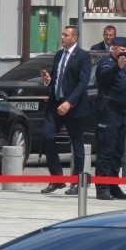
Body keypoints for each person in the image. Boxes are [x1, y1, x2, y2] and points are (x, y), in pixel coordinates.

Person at [39, 26, 92, 196]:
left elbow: (82, 83)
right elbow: (58, 79)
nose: (62, 37)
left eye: (66, 35)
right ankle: (57, 178)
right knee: (47, 136)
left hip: (73, 107)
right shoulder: (59, 55)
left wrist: (69, 102)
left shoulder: (83, 56)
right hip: (56, 103)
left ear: (74, 38)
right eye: (62, 34)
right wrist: (49, 80)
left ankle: (76, 182)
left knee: (76, 144)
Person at [94, 36, 126, 200]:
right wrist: (117, 69)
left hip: (121, 113)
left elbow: (124, 85)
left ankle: (113, 186)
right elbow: (104, 78)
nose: (124, 52)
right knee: (106, 151)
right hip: (108, 113)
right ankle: (102, 188)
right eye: (121, 49)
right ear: (113, 49)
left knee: (117, 152)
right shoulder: (107, 63)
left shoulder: (123, 65)